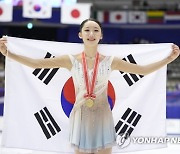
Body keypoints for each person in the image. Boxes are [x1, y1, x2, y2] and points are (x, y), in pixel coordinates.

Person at [0, 18, 179, 154]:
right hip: (80, 116)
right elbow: (36, 64)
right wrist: (9, 54)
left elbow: (143, 70)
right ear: (81, 35)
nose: (91, 33)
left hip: (103, 116)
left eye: (95, 30)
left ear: (101, 36)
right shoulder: (69, 60)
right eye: (87, 30)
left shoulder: (111, 62)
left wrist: (168, 60)